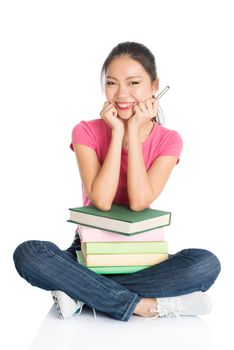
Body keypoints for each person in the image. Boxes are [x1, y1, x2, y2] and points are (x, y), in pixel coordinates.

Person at [13, 42, 221, 322]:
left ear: (154, 85)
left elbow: (138, 202)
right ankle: (145, 306)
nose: (121, 94)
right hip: (89, 250)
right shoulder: (85, 130)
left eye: (133, 83)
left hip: (142, 254)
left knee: (205, 264)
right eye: (111, 83)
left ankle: (79, 292)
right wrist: (117, 132)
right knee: (29, 254)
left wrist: (133, 131)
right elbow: (101, 200)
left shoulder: (170, 139)